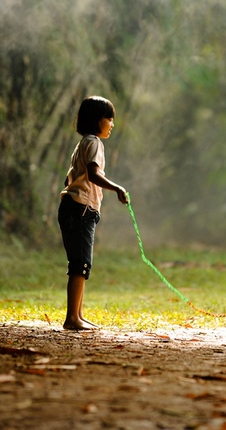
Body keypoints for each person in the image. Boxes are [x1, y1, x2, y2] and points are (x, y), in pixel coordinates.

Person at [58, 96, 128, 331]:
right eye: (110, 119)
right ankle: (72, 318)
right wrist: (116, 187)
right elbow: (93, 174)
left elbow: (71, 178)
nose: (112, 124)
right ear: (98, 121)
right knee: (80, 264)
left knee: (81, 264)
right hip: (81, 209)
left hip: (72, 206)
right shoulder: (95, 143)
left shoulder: (83, 144)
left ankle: (78, 314)